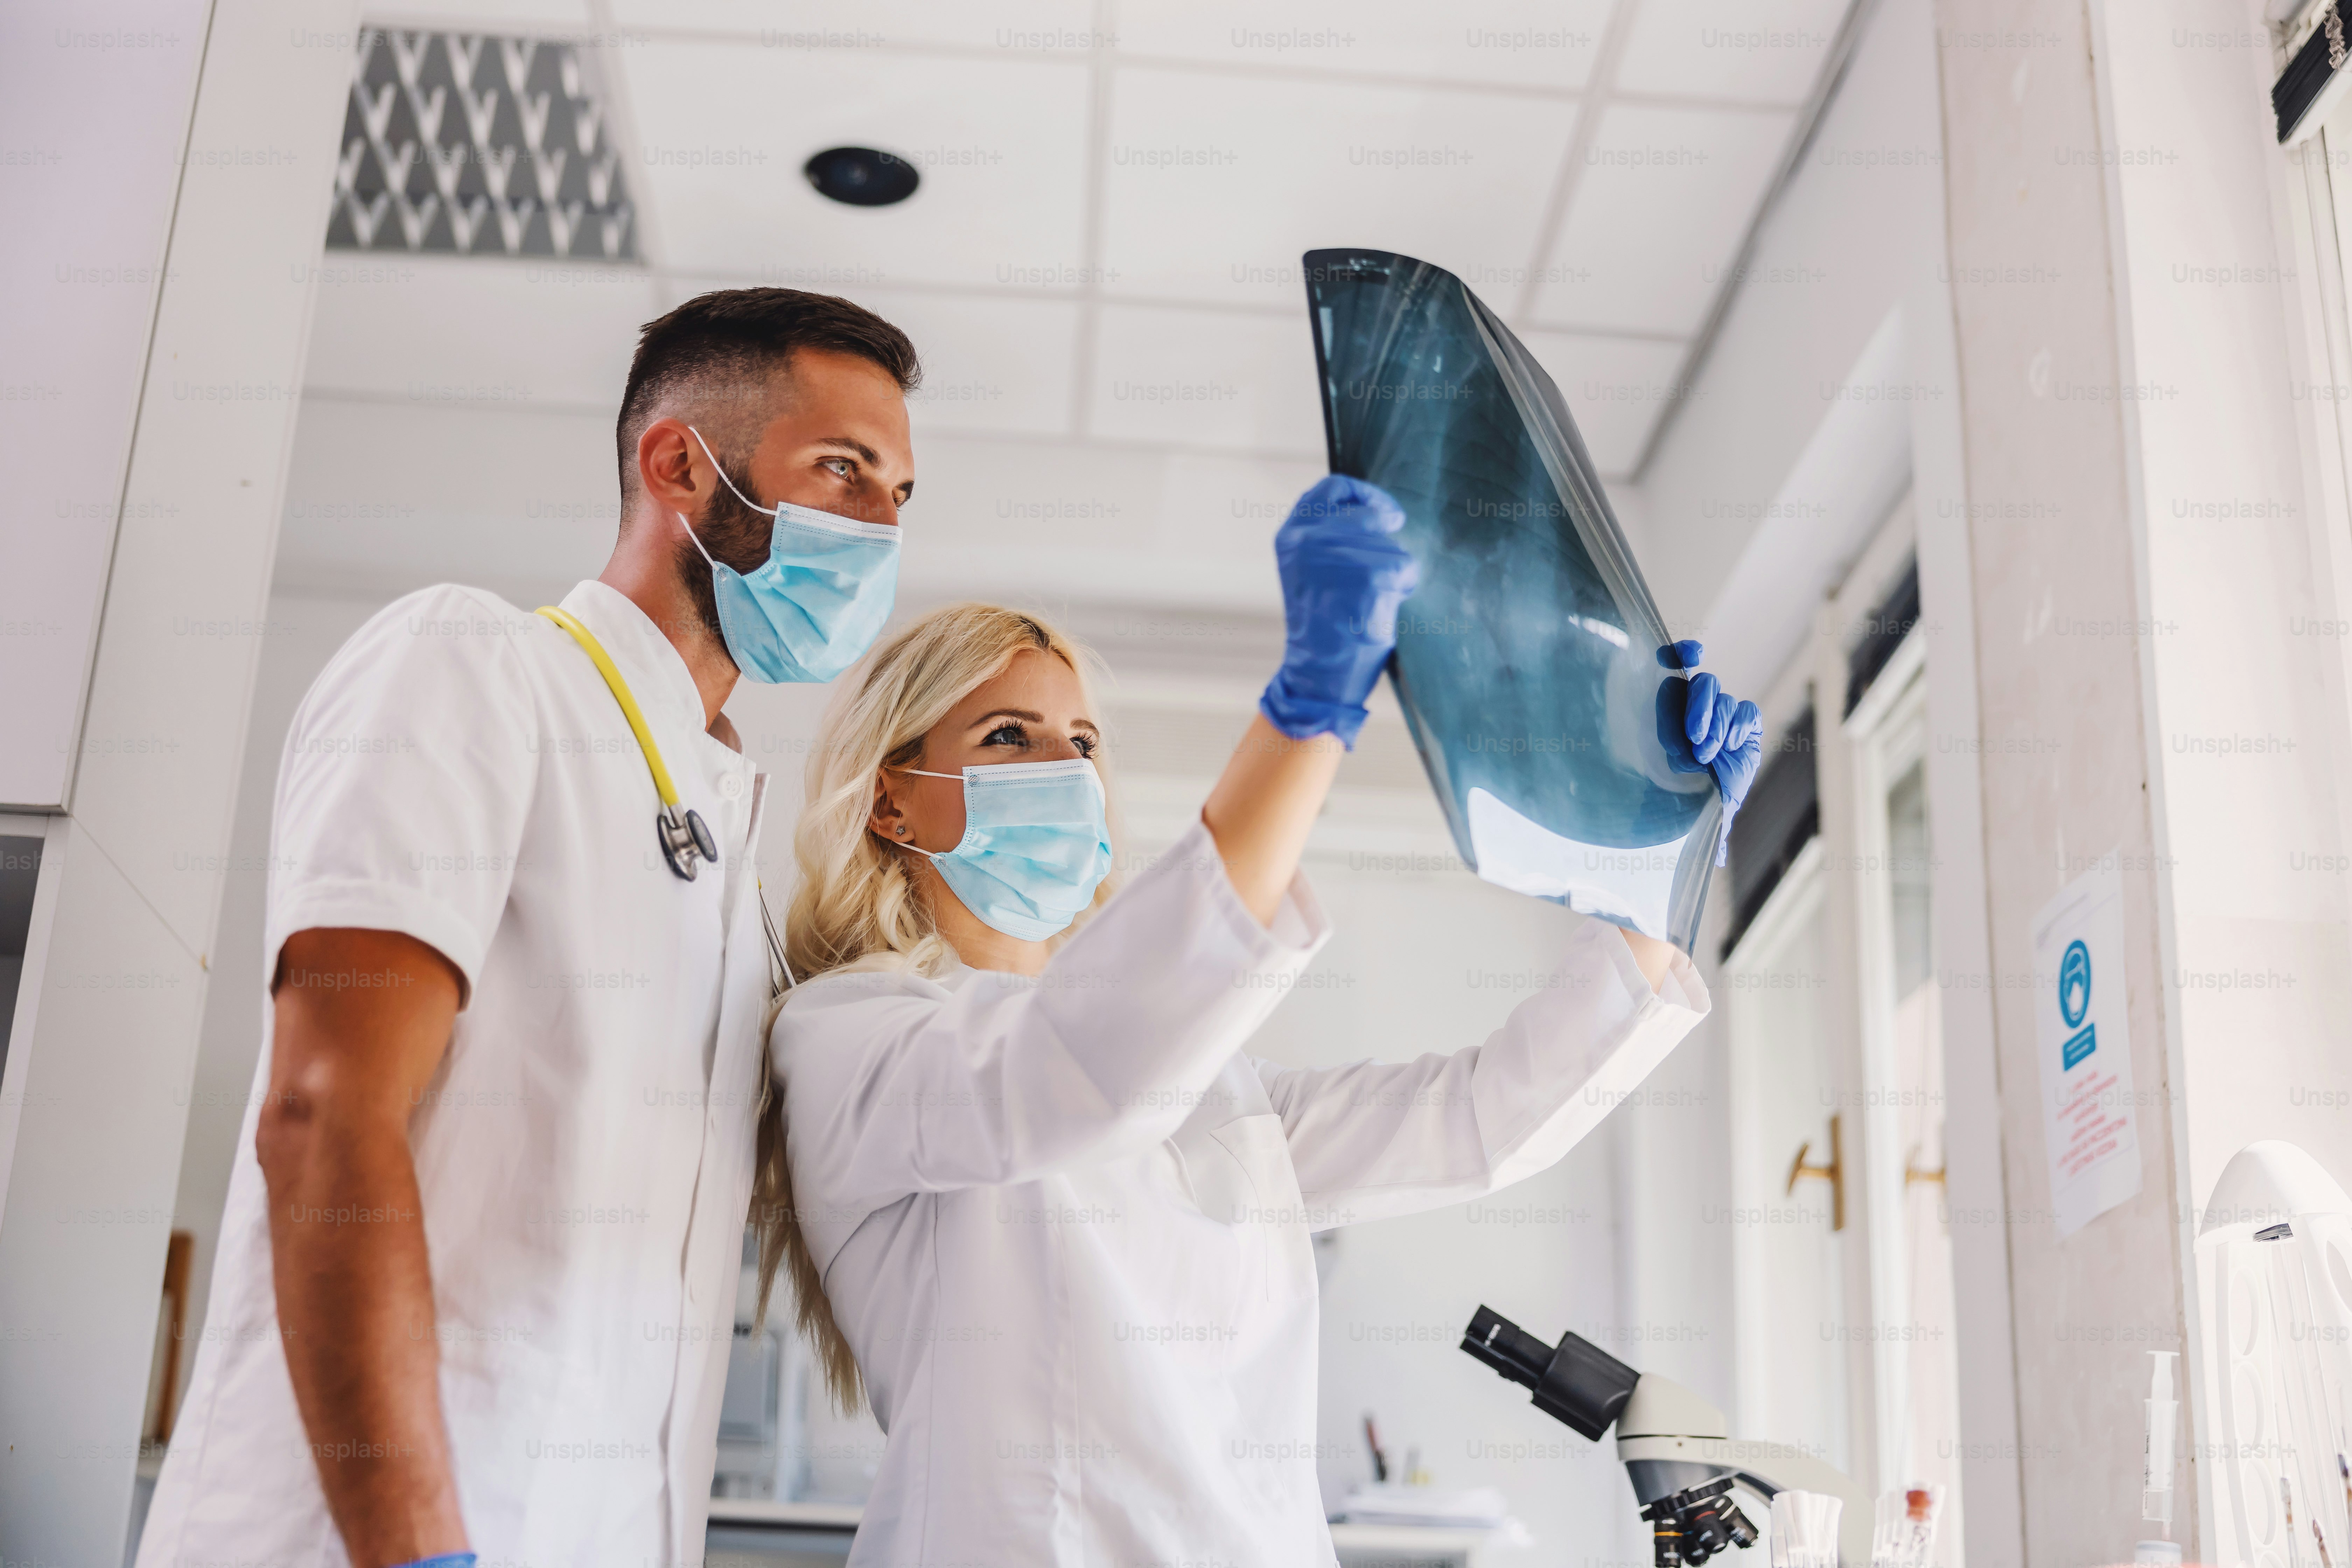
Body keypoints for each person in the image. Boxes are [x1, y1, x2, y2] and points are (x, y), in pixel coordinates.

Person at [760, 475, 1760, 1567]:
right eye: (1009, 735)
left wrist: (1656, 858)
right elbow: (1067, 1069)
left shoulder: (1214, 1086)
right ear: (891, 799)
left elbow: (1477, 1119)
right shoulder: (852, 1041)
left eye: (1083, 742)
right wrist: (1313, 702)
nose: (1065, 769)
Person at [136, 289, 922, 1568]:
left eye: (898, 495)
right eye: (844, 471)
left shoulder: (724, 833)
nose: (879, 529)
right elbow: (326, 1114)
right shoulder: (473, 666)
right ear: (680, 463)